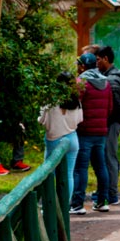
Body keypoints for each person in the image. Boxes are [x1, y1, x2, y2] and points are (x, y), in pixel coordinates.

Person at [71, 52, 113, 214]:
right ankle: (102, 201)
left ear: (82, 66)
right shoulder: (106, 83)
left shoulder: (81, 83)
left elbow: (74, 105)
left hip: (84, 131)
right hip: (101, 131)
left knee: (80, 168)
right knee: (100, 167)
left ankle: (77, 204)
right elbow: (110, 108)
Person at [38, 72, 81, 207]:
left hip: (54, 139)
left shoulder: (50, 101)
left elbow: (42, 120)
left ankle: (49, 206)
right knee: (68, 175)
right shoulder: (76, 101)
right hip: (72, 138)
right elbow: (80, 120)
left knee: (49, 174)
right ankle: (64, 205)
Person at [96, 45, 120, 206]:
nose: (97, 63)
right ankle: (107, 190)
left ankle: (111, 193)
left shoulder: (112, 80)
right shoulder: (110, 76)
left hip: (111, 123)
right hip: (113, 122)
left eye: (98, 60)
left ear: (105, 59)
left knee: (109, 157)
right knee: (106, 157)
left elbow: (119, 104)